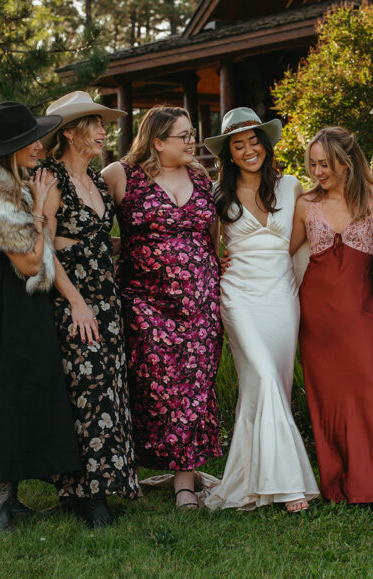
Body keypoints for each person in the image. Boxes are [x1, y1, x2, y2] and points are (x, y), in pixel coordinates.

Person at [0, 101, 81, 531]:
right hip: (5, 303)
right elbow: (27, 263)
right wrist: (42, 209)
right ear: (10, 148)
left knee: (23, 390)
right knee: (8, 393)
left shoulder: (15, 184)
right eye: (30, 141)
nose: (39, 146)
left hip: (22, 302)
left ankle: (3, 496)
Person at [103, 106, 222, 510]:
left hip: (201, 302)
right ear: (157, 141)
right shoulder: (121, 175)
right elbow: (88, 222)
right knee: (154, 386)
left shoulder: (202, 178)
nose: (193, 142)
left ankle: (184, 484)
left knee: (195, 387)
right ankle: (132, 468)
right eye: (184, 136)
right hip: (145, 301)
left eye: (193, 134)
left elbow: (213, 235)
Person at [202, 107, 319, 513]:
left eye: (255, 141)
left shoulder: (290, 187)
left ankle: (255, 477)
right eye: (239, 144)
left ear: (266, 146)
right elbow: (209, 249)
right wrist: (220, 264)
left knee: (269, 388)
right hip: (239, 298)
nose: (249, 150)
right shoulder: (218, 196)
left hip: (282, 298)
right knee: (264, 376)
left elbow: (300, 242)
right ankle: (290, 488)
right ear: (229, 154)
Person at [38, 91, 141, 526]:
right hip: (72, 298)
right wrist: (76, 302)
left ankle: (99, 486)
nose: (104, 130)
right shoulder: (50, 178)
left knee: (109, 387)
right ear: (71, 132)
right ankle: (85, 495)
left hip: (106, 295)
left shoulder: (97, 179)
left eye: (103, 123)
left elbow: (98, 237)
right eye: (95, 124)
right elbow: (42, 246)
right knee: (86, 391)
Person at [289, 126, 373, 511]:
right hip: (317, 316)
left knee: (369, 388)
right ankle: (338, 482)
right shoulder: (305, 204)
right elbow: (279, 254)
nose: (318, 171)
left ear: (347, 161)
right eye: (314, 164)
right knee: (329, 398)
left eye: (326, 164)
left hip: (361, 310)